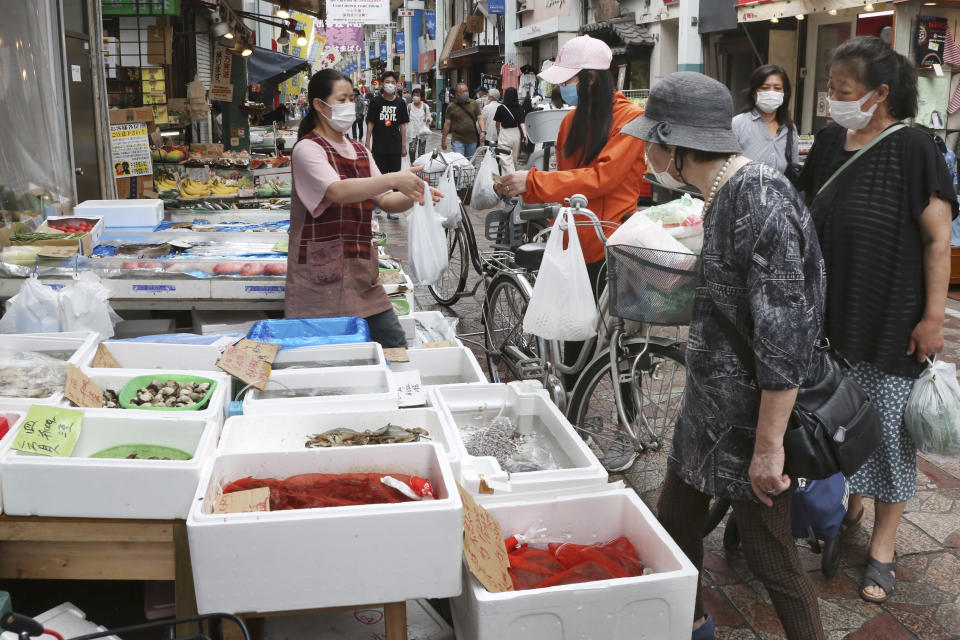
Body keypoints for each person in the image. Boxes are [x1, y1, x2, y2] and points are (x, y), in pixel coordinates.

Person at [625, 71, 828, 640]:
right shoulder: (718, 194)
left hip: (748, 422)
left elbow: (783, 342)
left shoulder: (757, 199)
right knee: (675, 525)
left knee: (773, 558)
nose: (646, 151)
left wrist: (769, 450)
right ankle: (690, 625)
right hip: (708, 411)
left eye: (650, 139)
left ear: (674, 141)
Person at [795, 36, 957, 603]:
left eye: (843, 90)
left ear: (880, 93)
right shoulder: (830, 140)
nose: (833, 99)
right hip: (829, 318)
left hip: (892, 318)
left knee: (886, 435)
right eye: (832, 89)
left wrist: (933, 319)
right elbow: (800, 205)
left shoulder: (916, 148)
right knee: (831, 424)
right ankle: (848, 507)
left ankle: (883, 547)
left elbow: (938, 241)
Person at [287, 70, 441, 348]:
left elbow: (386, 200)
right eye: (342, 99)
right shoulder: (307, 149)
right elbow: (337, 191)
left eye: (352, 98)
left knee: (393, 343)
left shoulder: (359, 150)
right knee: (327, 355)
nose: (350, 105)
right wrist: (394, 178)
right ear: (320, 105)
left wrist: (415, 194)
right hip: (319, 272)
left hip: (359, 268)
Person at [731, 64, 800, 177]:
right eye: (765, 88)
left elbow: (794, 168)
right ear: (754, 92)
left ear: (784, 94)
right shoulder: (738, 124)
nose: (771, 92)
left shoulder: (789, 128)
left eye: (777, 88)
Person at [365, 71, 410, 220]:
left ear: (397, 84)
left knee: (395, 176)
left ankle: (393, 208)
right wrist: (367, 142)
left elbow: (403, 125)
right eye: (387, 81)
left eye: (393, 82)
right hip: (379, 145)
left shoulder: (400, 103)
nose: (390, 84)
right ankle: (378, 203)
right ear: (382, 84)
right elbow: (370, 122)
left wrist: (404, 145)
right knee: (380, 176)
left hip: (395, 145)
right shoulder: (376, 102)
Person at [441, 81, 484, 157]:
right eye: (464, 91)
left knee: (470, 164)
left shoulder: (474, 103)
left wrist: (483, 131)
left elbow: (480, 118)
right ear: (457, 94)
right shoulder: (451, 106)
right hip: (457, 140)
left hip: (472, 140)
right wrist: (443, 140)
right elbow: (447, 124)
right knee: (460, 162)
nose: (466, 93)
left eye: (467, 91)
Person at [494, 87, 528, 173]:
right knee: (514, 159)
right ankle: (515, 176)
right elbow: (522, 123)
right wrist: (525, 135)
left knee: (505, 159)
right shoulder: (520, 107)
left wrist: (498, 133)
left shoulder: (501, 108)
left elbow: (497, 124)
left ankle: (508, 179)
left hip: (505, 133)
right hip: (516, 133)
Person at [407, 87, 432, 160]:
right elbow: (405, 118)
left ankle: (419, 165)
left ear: (421, 97)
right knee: (412, 150)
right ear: (412, 96)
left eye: (418, 95)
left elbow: (429, 117)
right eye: (414, 95)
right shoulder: (409, 107)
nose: (416, 97)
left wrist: (427, 119)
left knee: (421, 152)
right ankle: (412, 163)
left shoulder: (425, 106)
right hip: (412, 131)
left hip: (422, 132)